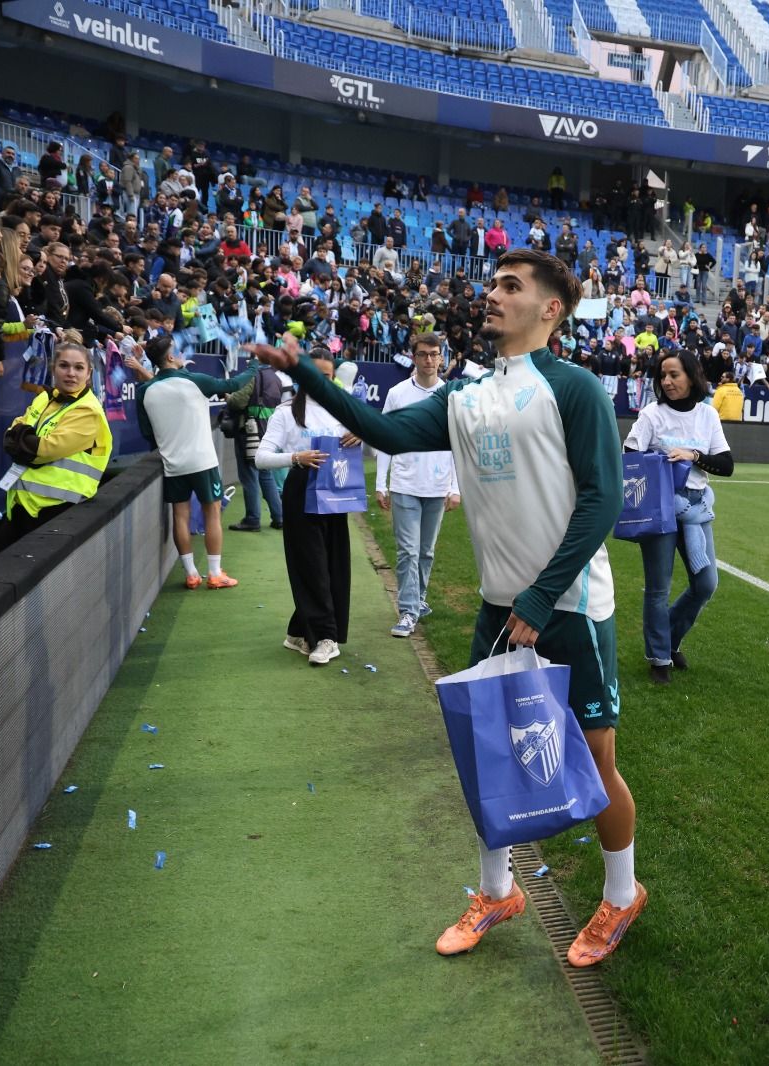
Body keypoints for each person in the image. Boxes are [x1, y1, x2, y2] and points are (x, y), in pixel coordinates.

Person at [250, 248, 645, 967]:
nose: (492, 294)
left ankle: (622, 895)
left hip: (572, 605)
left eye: (511, 286)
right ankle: (498, 892)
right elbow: (390, 434)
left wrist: (540, 593)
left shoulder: (576, 388)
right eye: (492, 283)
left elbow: (603, 501)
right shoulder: (465, 397)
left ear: (552, 308)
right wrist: (305, 372)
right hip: (502, 606)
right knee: (485, 752)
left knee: (594, 762)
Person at [623, 350, 733, 684]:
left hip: (696, 510)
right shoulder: (651, 415)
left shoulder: (707, 414)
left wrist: (694, 455)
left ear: (691, 376)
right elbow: (629, 456)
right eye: (663, 376)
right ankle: (659, 657)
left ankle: (668, 638)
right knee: (658, 588)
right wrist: (656, 462)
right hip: (658, 508)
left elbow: (726, 465)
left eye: (674, 375)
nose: (667, 382)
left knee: (706, 584)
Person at [254, 346, 360, 665]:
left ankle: (298, 631)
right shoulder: (285, 412)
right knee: (311, 564)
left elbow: (365, 442)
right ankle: (326, 637)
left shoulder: (342, 408)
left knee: (332, 564)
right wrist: (295, 459)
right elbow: (260, 458)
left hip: (336, 491)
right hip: (301, 490)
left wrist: (360, 435)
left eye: (326, 376)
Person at [134, 334, 256, 590]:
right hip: (202, 461)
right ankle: (214, 573)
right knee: (212, 513)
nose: (180, 355)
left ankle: (191, 574)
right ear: (169, 357)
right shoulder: (194, 381)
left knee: (180, 515)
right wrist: (255, 367)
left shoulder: (145, 390)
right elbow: (233, 383)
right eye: (176, 351)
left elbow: (147, 433)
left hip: (172, 464)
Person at [0, 339, 114, 557]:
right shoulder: (45, 398)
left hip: (58, 510)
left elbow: (42, 451)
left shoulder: (88, 411)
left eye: (78, 368)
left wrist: (20, 438)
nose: (71, 373)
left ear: (89, 373)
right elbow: (9, 437)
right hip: (25, 505)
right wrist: (20, 438)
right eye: (64, 366)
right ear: (53, 368)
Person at [375, 332, 460, 638]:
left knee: (426, 552)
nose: (428, 360)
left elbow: (457, 445)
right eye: (423, 354)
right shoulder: (398, 393)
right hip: (405, 484)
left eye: (433, 354)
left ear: (441, 357)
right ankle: (408, 610)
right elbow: (383, 438)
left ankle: (419, 600)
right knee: (407, 551)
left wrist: (456, 488)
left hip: (437, 487)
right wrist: (381, 483)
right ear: (413, 357)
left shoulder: (450, 395)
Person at [228, 353, 287, 532]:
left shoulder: (252, 376)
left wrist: (228, 397)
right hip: (267, 431)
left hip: (249, 431)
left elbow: (237, 402)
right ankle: (280, 517)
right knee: (265, 475)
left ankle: (252, 518)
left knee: (249, 476)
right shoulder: (276, 378)